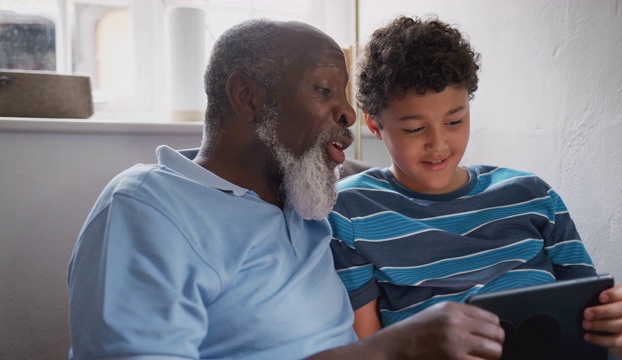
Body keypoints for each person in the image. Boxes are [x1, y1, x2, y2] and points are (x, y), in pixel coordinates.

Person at [67, 19, 507, 360]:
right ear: (247, 96)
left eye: (347, 94)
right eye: (323, 90)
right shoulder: (149, 207)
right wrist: (390, 349)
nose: (350, 113)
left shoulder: (314, 196)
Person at [329, 15, 622, 359]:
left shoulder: (533, 196)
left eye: (455, 121)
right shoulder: (351, 210)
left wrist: (617, 336)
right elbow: (369, 350)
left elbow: (605, 344)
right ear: (375, 123)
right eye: (415, 128)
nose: (439, 144)